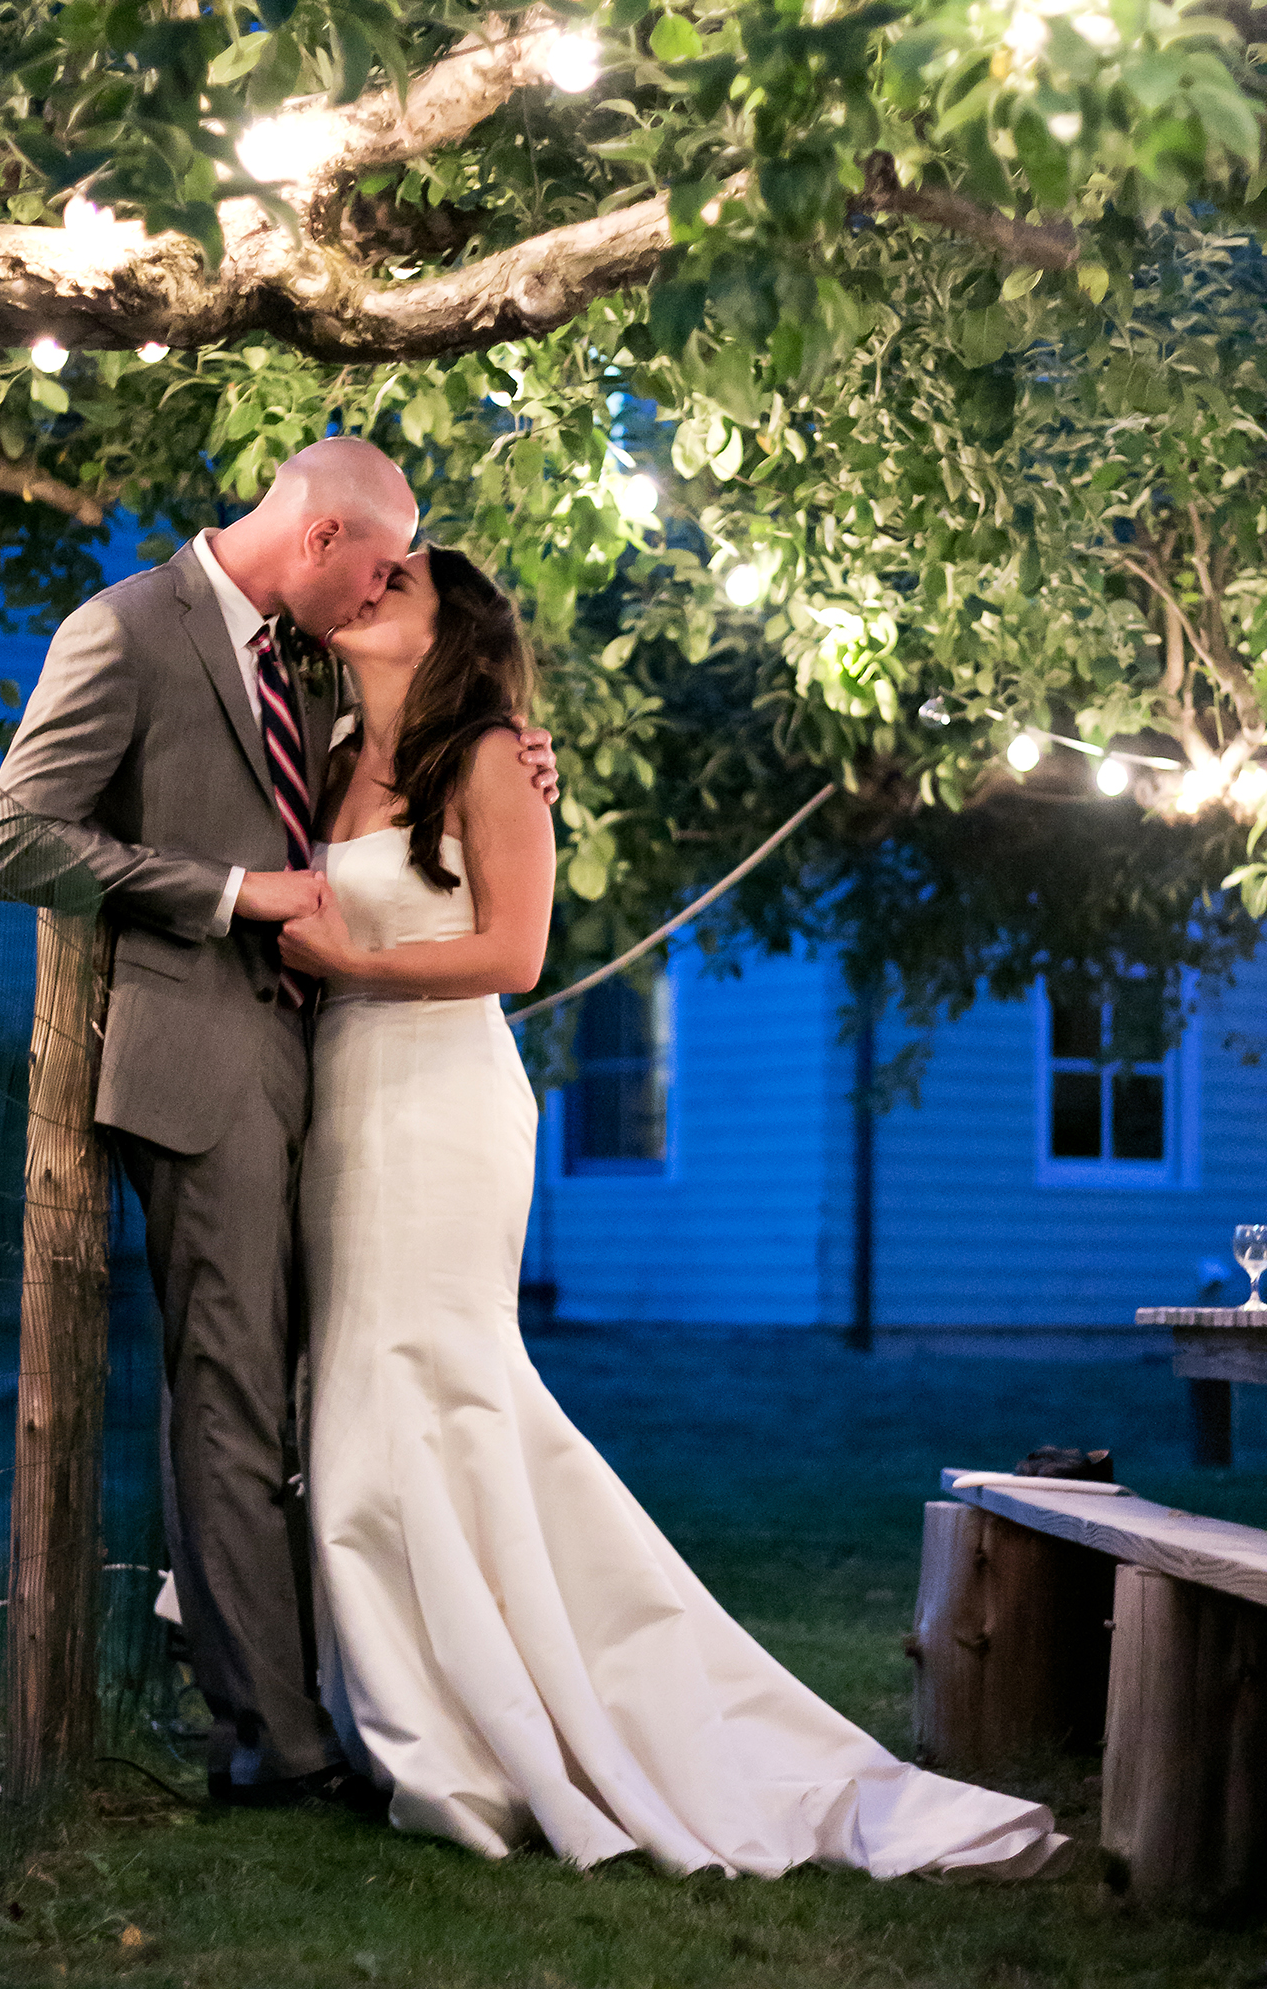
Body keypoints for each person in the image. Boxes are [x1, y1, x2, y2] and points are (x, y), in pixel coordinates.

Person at [278, 546, 1070, 1879]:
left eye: (396, 583)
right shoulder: (327, 750)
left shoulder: (488, 759)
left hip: (441, 1103)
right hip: (344, 1102)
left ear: (452, 629)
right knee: (354, 1388)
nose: (365, 591)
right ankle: (407, 1704)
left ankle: (476, 1736)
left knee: (429, 1384)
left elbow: (516, 953)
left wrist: (353, 959)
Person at [0, 441, 557, 1810]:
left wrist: (511, 749)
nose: (379, 592)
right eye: (380, 565)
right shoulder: (126, 631)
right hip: (204, 1065)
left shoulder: (308, 658)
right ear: (324, 537)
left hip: (342, 1077)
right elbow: (20, 837)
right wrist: (232, 893)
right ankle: (275, 1739)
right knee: (234, 1383)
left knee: (324, 1389)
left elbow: (418, 772)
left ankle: (356, 1682)